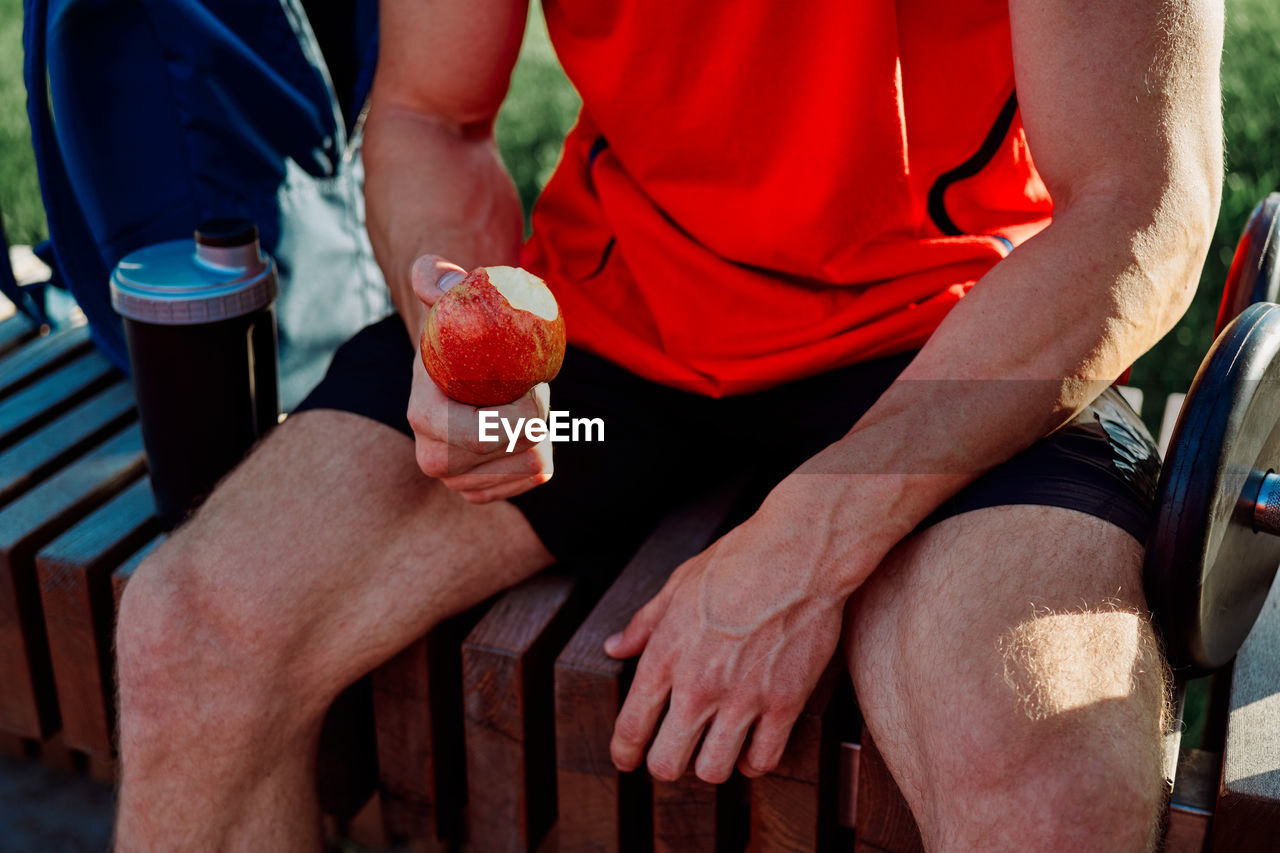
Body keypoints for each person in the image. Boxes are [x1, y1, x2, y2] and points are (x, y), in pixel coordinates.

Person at [112, 0, 1223, 849]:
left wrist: (801, 546)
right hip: (609, 356)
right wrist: (466, 331)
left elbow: (1139, 204)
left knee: (1044, 787)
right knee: (191, 635)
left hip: (948, 352)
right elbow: (425, 115)